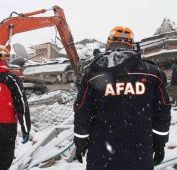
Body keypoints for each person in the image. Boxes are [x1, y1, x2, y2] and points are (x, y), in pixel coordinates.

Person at [73, 26, 171, 170]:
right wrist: (160, 142)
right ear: (132, 45)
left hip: (102, 153)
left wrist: (81, 139)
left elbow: (83, 110)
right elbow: (162, 109)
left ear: (108, 44)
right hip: (139, 152)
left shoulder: (93, 74)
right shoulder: (152, 73)